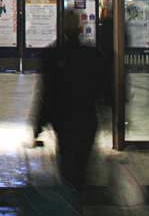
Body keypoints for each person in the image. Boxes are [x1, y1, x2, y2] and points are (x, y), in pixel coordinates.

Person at [32, 12, 105, 202]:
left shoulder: (52, 55)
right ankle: (79, 201)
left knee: (67, 167)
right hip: (87, 120)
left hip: (63, 122)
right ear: (80, 29)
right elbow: (101, 88)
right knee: (82, 165)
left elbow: (46, 94)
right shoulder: (92, 55)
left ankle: (71, 206)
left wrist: (38, 126)